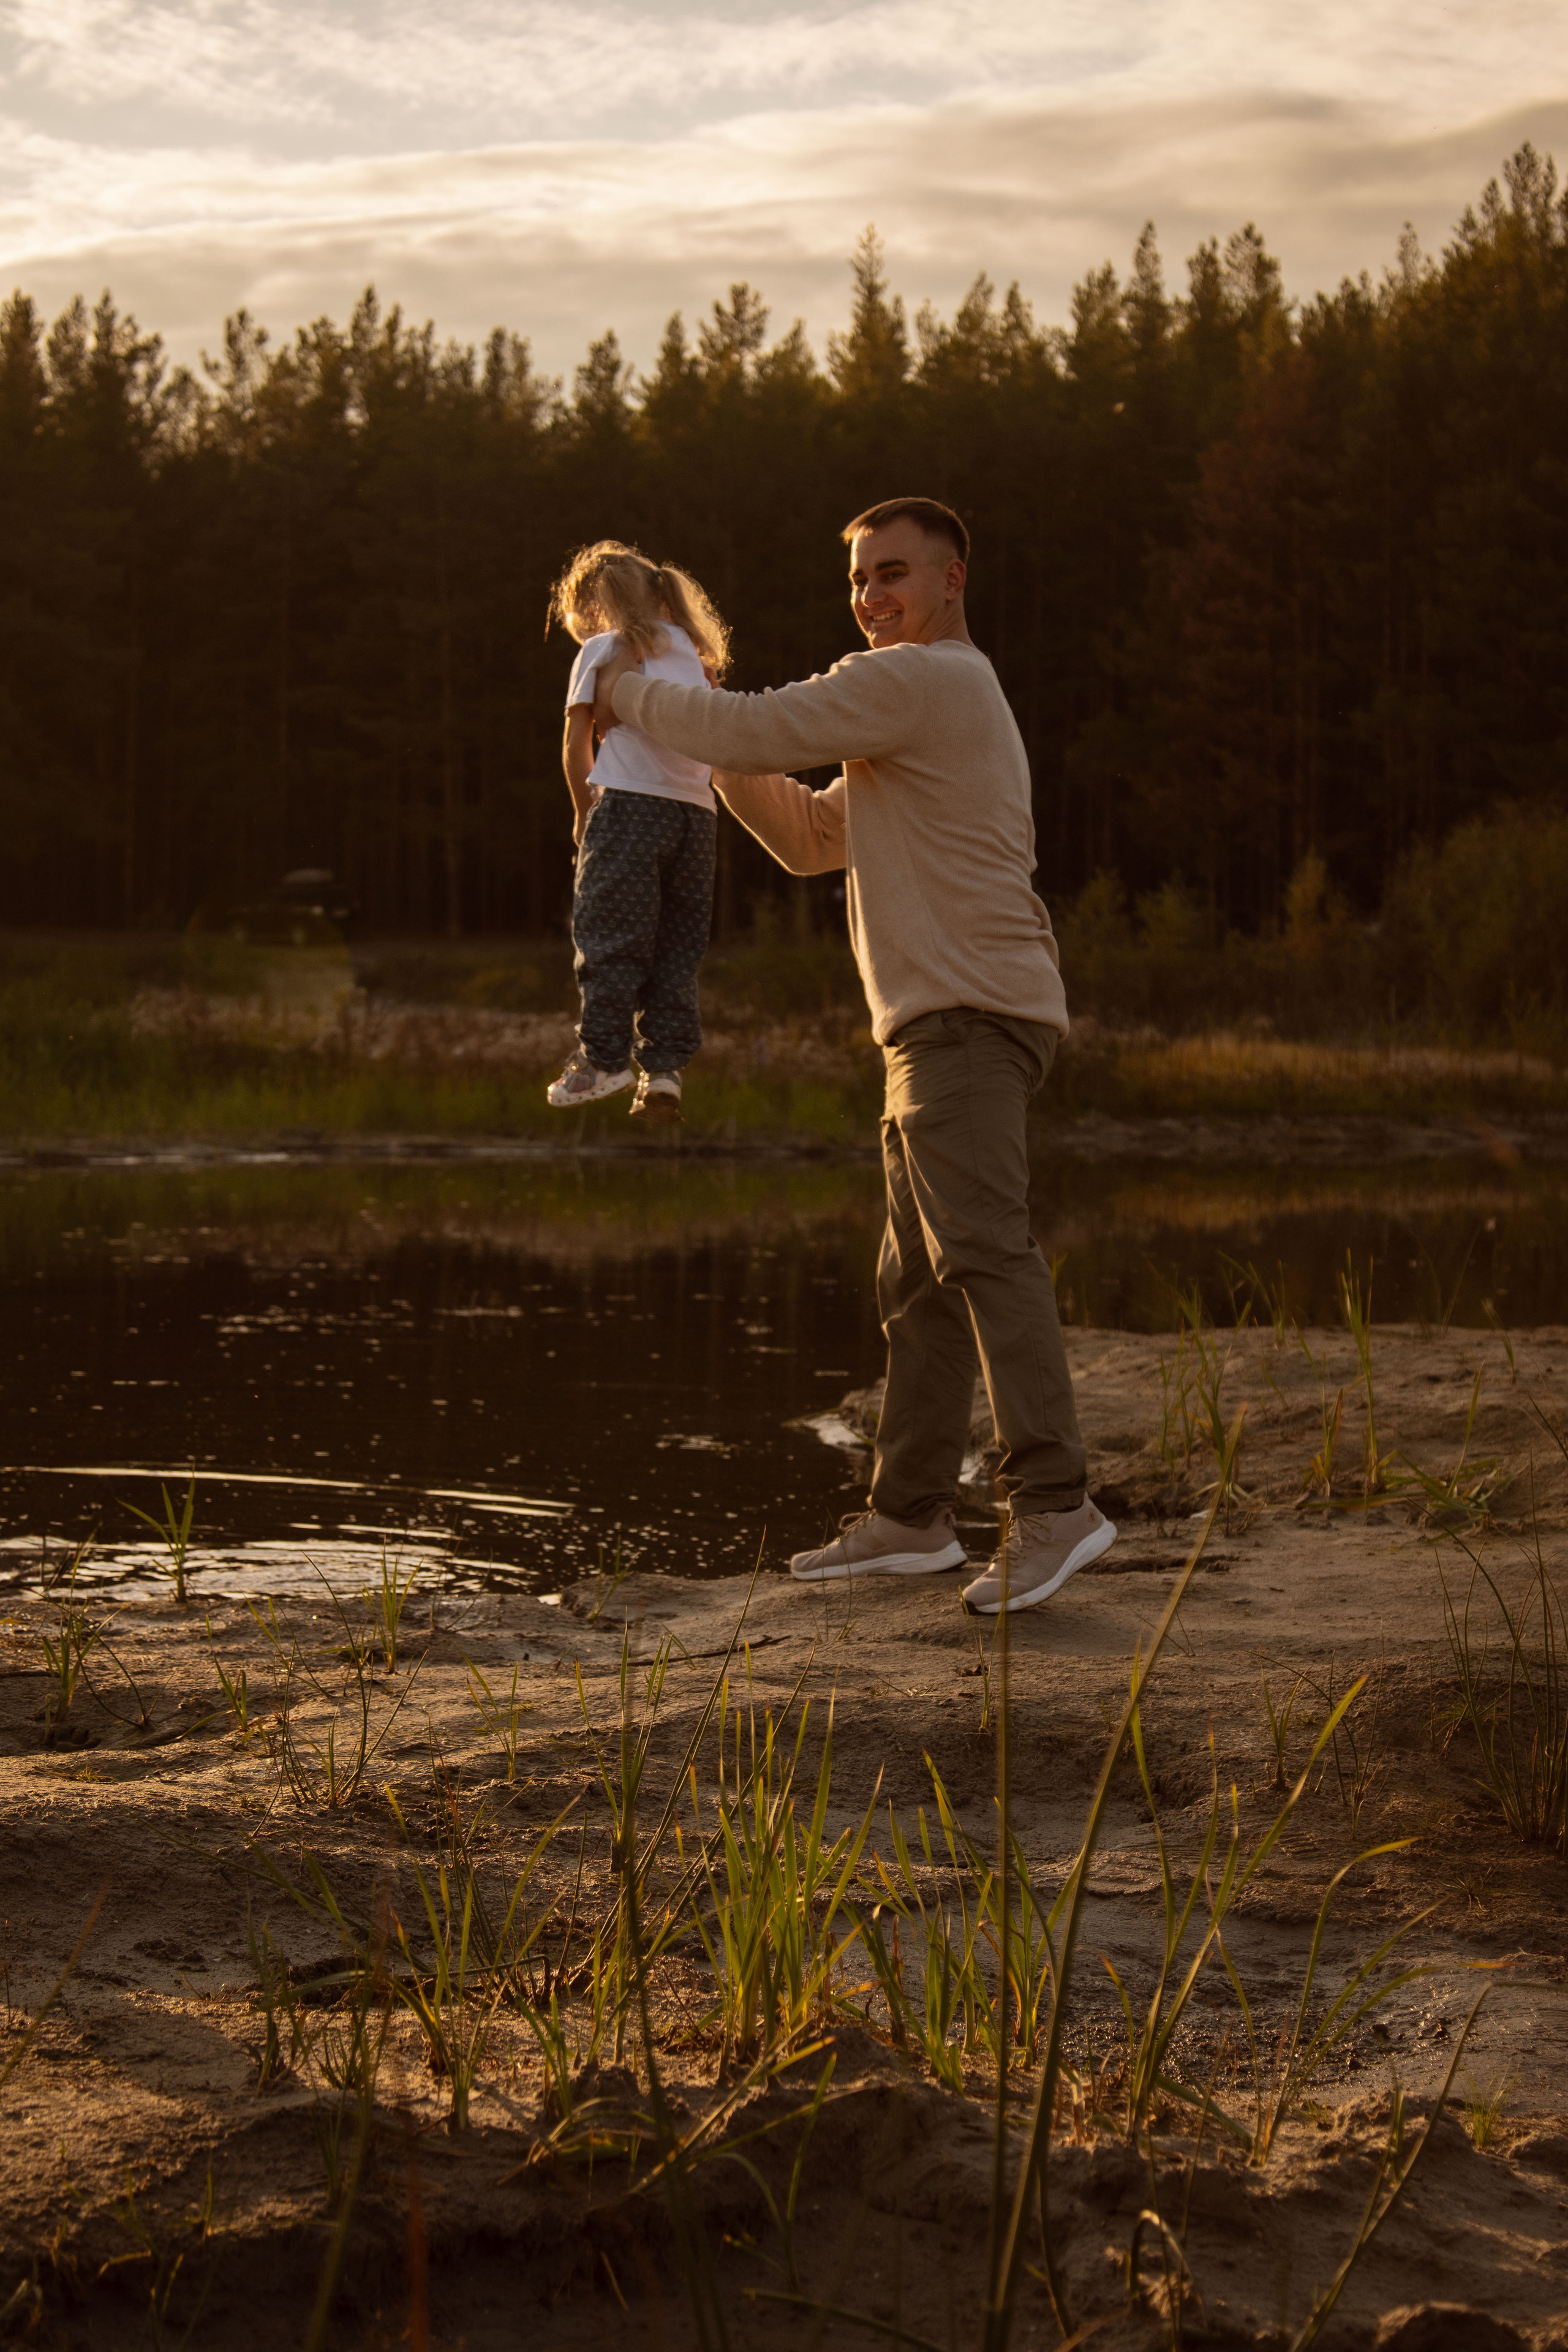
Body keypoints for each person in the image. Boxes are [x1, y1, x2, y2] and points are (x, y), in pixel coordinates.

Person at [592, 496, 1115, 1613]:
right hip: (936, 1023)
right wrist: (709, 735)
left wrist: (623, 689)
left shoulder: (930, 679)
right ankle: (909, 1519)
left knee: (981, 1253)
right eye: (860, 580)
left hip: (968, 1016)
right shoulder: (911, 712)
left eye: (893, 574)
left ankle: (1058, 1505)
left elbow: (762, 727)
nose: (873, 595)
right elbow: (810, 838)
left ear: (950, 580)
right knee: (917, 1284)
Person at [546, 540, 729, 1123]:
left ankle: (601, 1060)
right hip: (697, 817)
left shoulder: (605, 649)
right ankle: (666, 1069)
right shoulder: (696, 656)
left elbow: (576, 747)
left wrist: (583, 812)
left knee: (610, 936)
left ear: (596, 607)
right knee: (677, 948)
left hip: (630, 806)